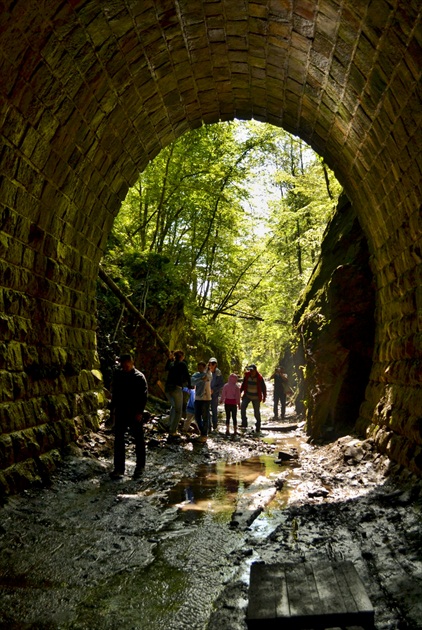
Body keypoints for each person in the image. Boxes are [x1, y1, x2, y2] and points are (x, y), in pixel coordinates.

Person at [110, 353, 148, 479]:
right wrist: (112, 413)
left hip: (134, 413)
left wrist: (139, 412)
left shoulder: (139, 377)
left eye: (127, 364)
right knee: (119, 440)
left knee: (138, 440)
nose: (125, 366)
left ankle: (140, 467)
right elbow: (114, 395)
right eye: (123, 364)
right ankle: (119, 469)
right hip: (121, 412)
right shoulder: (119, 376)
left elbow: (143, 396)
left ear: (132, 363)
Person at [164, 350, 191, 441]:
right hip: (176, 388)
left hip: (167, 388)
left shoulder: (172, 364)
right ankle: (173, 431)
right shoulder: (182, 364)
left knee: (173, 406)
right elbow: (187, 375)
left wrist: (169, 360)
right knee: (179, 411)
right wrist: (190, 386)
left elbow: (166, 368)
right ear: (182, 356)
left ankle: (169, 425)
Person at [240, 363, 267, 432]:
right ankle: (244, 423)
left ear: (255, 370)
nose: (251, 372)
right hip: (247, 395)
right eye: (250, 370)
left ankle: (258, 425)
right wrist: (239, 392)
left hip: (256, 397)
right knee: (242, 407)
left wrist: (264, 397)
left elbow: (264, 388)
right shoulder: (247, 376)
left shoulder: (259, 378)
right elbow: (243, 385)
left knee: (256, 412)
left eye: (252, 370)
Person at [191, 361, 212, 442]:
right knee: (197, 416)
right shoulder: (196, 375)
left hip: (206, 399)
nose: (199, 369)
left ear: (204, 368)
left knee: (205, 417)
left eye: (201, 367)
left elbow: (208, 377)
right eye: (198, 367)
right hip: (197, 398)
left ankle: (204, 435)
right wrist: (200, 379)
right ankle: (202, 432)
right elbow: (192, 381)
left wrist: (207, 369)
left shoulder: (208, 374)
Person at [208, 357, 224, 432]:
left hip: (214, 393)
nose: (212, 365)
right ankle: (208, 426)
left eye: (213, 364)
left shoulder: (218, 372)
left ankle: (214, 425)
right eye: (211, 363)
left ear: (216, 364)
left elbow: (221, 384)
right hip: (206, 393)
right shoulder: (206, 371)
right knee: (206, 409)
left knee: (214, 409)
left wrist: (214, 390)